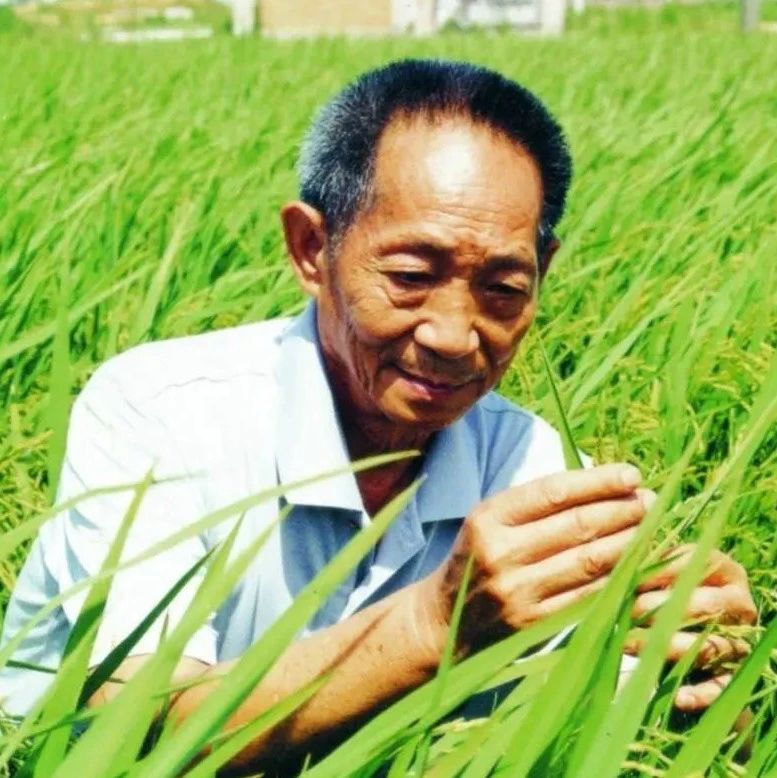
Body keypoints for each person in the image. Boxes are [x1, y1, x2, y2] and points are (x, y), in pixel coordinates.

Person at [0, 59, 756, 773]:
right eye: (409, 277)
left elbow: (595, 714)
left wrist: (697, 661)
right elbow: (138, 722)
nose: (455, 336)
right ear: (310, 247)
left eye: (502, 288)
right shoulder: (157, 411)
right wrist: (435, 626)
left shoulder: (524, 458)